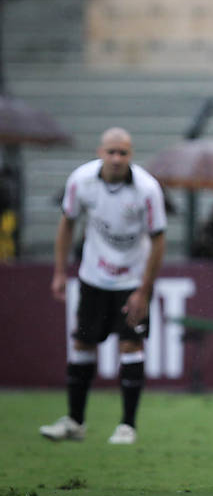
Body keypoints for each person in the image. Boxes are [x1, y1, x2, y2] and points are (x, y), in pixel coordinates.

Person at [41, 127, 166, 445]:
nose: (116, 158)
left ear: (130, 155)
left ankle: (127, 426)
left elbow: (158, 239)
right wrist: (59, 272)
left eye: (122, 152)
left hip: (131, 281)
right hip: (93, 277)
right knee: (83, 345)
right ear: (101, 152)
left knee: (130, 347)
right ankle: (75, 421)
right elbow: (67, 223)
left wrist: (143, 290)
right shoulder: (81, 180)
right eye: (111, 152)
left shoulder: (147, 189)